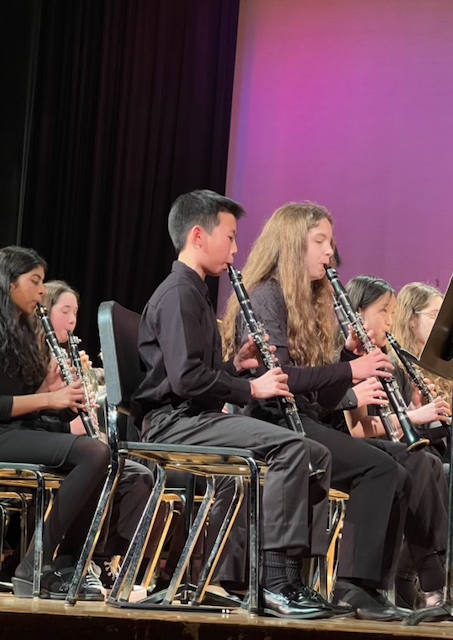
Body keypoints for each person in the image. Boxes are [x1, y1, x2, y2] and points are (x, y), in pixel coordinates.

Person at [131, 190, 338, 620]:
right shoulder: (178, 294)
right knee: (291, 448)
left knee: (315, 452)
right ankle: (275, 581)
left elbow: (189, 373)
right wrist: (251, 389)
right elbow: (186, 381)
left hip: (192, 415)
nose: (237, 248)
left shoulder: (193, 293)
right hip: (173, 424)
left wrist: (233, 365)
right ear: (199, 236)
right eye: (230, 236)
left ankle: (297, 576)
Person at [221, 201, 423, 621]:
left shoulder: (308, 304)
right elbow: (280, 378)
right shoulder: (266, 295)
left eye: (329, 242)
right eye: (320, 242)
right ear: (294, 245)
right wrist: (351, 368)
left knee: (404, 467)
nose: (330, 252)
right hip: (271, 422)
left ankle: (373, 586)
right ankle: (352, 586)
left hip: (302, 418)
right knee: (378, 469)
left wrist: (343, 367)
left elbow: (317, 397)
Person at [0, 246, 109, 600]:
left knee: (103, 454)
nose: (42, 291)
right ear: (8, 283)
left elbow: (22, 401)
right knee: (94, 453)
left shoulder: (22, 332)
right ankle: (35, 565)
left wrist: (50, 386)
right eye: (35, 281)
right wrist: (50, 398)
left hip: (17, 431)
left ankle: (67, 566)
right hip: (0, 436)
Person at [36, 280, 158, 589]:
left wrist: (86, 386)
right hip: (46, 443)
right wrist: (68, 427)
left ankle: (101, 558)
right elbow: (31, 417)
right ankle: (67, 560)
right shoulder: (34, 356)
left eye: (75, 312)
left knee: (137, 474)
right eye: (65, 311)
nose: (72, 320)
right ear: (45, 312)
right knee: (103, 466)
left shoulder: (68, 358)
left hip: (74, 445)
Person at [392, 281, 453, 600]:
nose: (443, 326)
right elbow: (403, 432)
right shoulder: (397, 366)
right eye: (435, 316)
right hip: (402, 459)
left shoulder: (436, 372)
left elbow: (438, 441)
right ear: (410, 319)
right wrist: (442, 421)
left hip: (434, 461)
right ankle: (410, 575)